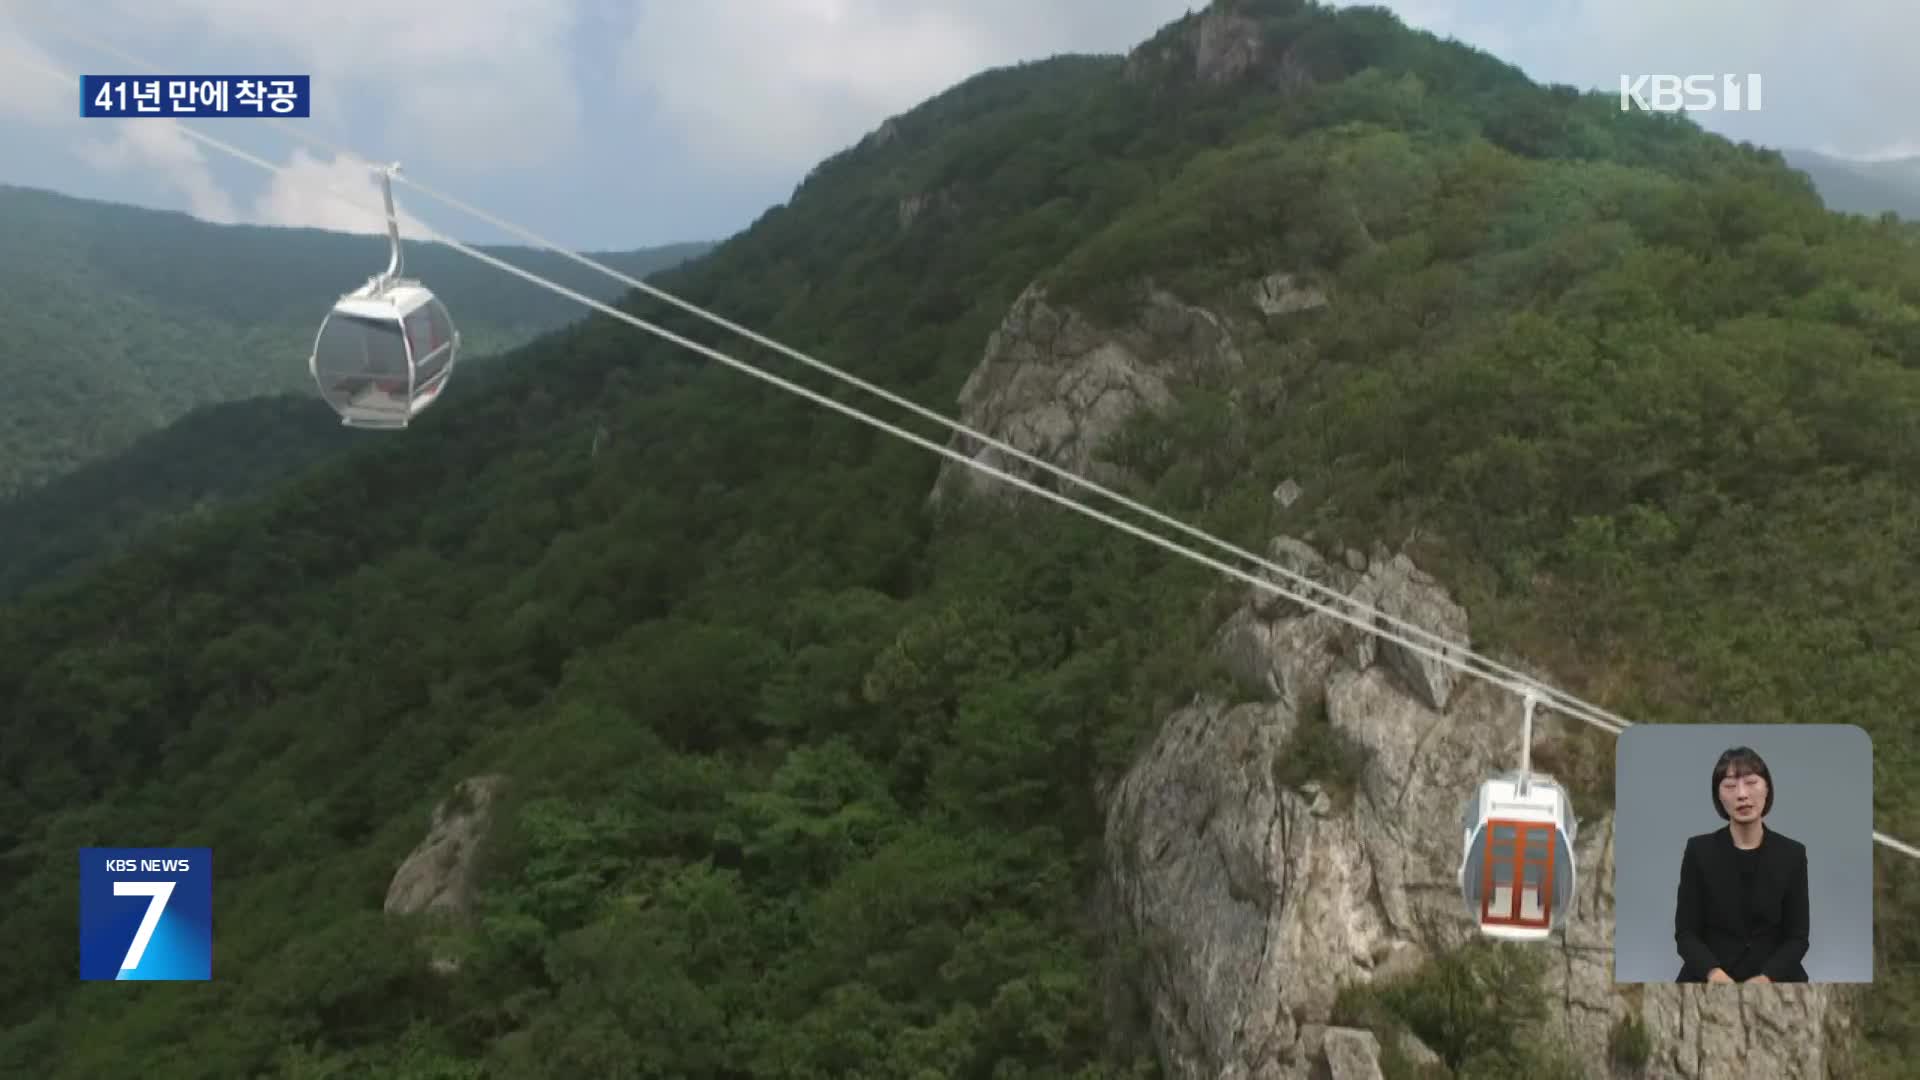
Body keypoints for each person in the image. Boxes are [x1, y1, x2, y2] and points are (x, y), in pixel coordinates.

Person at [1673, 746, 1810, 983]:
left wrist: (1767, 977)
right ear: (1718, 796)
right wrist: (1714, 974)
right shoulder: (1698, 851)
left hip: (1775, 978)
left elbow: (1797, 938)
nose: (1742, 794)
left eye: (1751, 782)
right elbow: (1686, 934)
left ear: (1767, 788)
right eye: (1730, 786)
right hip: (1709, 977)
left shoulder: (1792, 854)